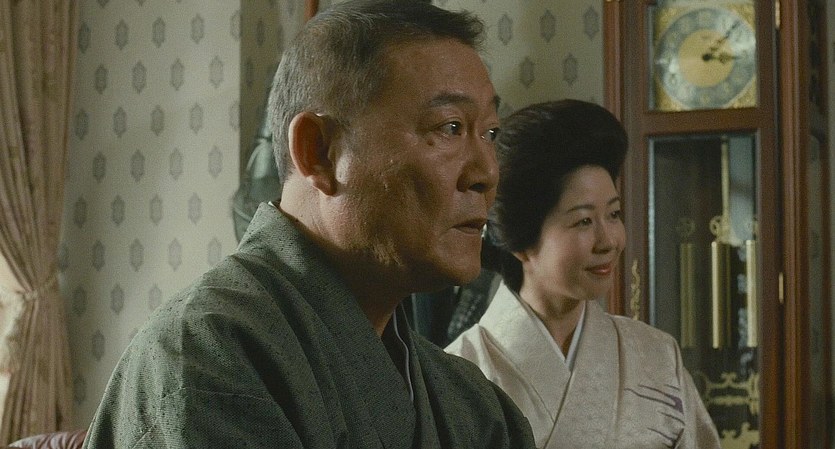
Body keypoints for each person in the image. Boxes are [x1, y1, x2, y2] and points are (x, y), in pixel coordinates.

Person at [82, 1, 536, 448]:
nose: (487, 172)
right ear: (317, 150)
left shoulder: (472, 406)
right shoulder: (209, 355)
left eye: (490, 133)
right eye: (450, 127)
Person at [446, 99, 721, 449]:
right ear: (521, 241)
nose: (609, 241)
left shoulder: (656, 356)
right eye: (584, 221)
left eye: (614, 215)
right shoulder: (460, 374)